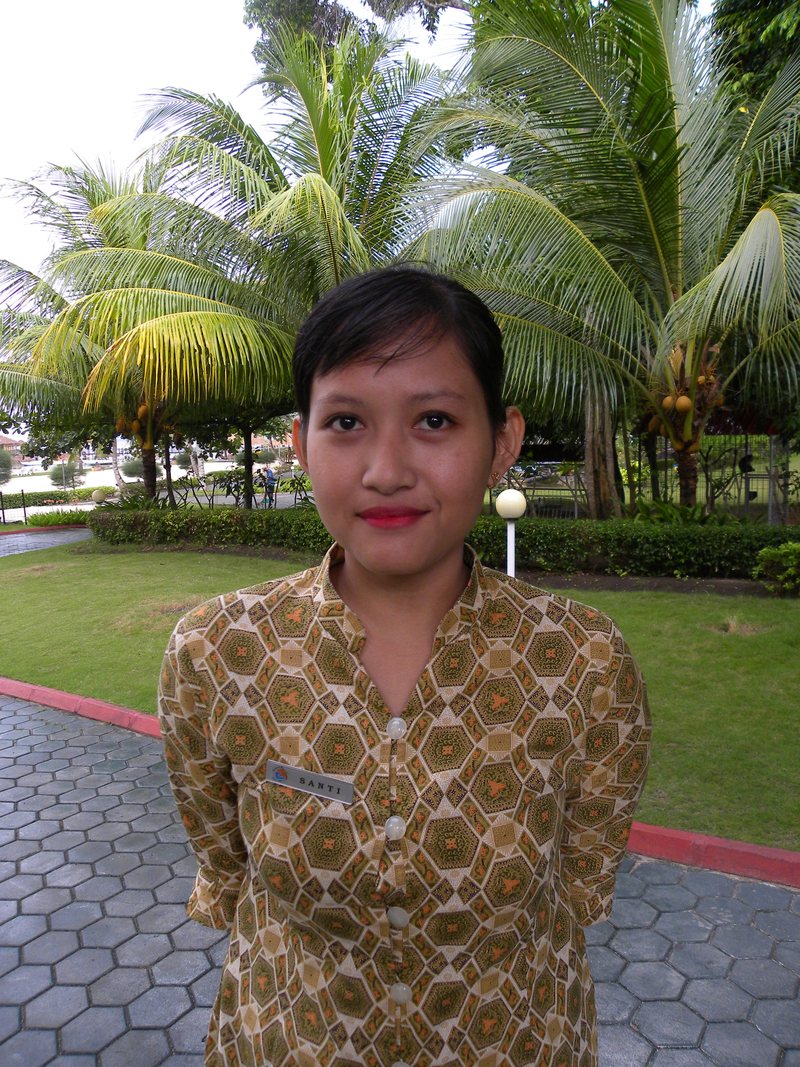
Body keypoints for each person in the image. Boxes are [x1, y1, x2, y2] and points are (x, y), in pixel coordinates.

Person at [158, 266, 651, 1067]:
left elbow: (580, 877)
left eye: (433, 419)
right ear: (300, 444)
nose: (386, 468)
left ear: (502, 443)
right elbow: (227, 865)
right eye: (347, 421)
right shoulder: (216, 652)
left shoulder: (584, 662)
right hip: (286, 1038)